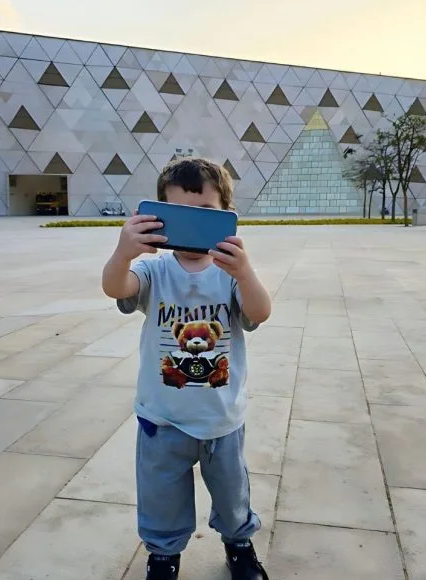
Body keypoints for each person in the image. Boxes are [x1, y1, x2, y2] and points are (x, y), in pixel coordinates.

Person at [101, 157, 273, 580]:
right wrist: (123, 253)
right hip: (163, 418)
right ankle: (163, 555)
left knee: (233, 494)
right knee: (161, 496)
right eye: (180, 214)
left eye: (207, 214)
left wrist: (246, 273)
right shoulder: (154, 269)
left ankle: (239, 545)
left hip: (221, 418)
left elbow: (260, 312)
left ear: (227, 216)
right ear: (161, 217)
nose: (193, 226)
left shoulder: (230, 273)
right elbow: (115, 287)